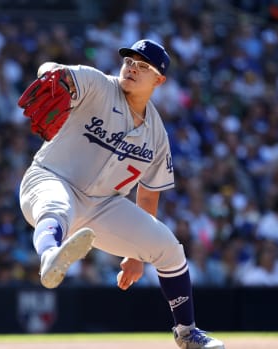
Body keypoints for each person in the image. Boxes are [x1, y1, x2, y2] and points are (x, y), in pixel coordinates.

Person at [17, 39, 224, 349]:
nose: (132, 68)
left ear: (159, 80)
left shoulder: (156, 134)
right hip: (51, 177)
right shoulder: (98, 85)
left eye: (143, 66)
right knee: (56, 205)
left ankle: (187, 332)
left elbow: (148, 196)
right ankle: (50, 257)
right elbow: (53, 71)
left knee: (169, 249)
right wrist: (50, 74)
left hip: (103, 206)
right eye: (129, 61)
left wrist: (136, 253)